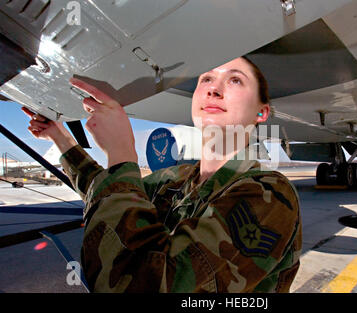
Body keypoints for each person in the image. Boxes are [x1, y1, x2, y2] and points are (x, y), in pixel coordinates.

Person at [23, 56, 302, 292]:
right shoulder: (175, 179)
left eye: (235, 80)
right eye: (206, 79)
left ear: (262, 112)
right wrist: (61, 139)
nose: (213, 90)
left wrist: (122, 151)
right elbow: (113, 194)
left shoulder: (269, 194)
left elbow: (152, 282)